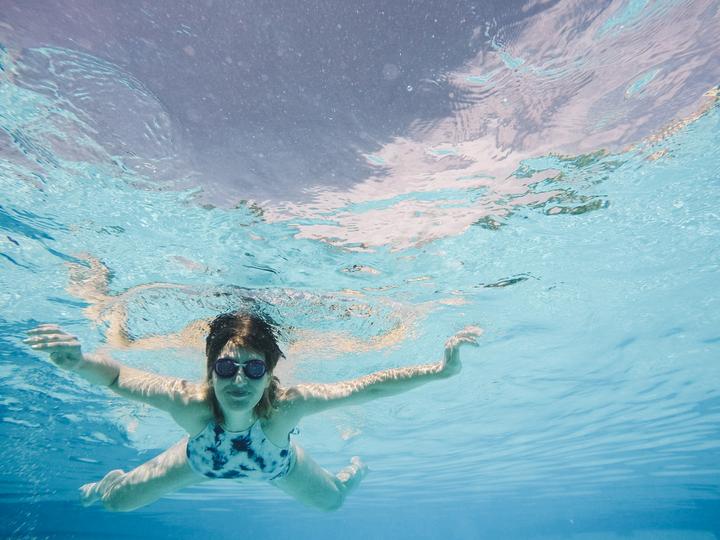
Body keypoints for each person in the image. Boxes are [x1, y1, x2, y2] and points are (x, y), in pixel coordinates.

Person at [24, 311, 481, 512]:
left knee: (334, 503)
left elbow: (369, 387)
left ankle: (349, 474)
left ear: (270, 373)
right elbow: (119, 378)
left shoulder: (286, 408)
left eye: (253, 367)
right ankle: (113, 479)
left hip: (279, 465)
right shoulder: (192, 404)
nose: (238, 381)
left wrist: (439, 371)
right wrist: (78, 362)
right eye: (226, 367)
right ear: (211, 369)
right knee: (116, 503)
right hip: (197, 460)